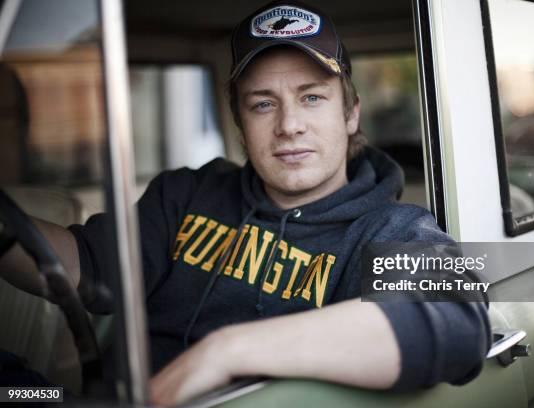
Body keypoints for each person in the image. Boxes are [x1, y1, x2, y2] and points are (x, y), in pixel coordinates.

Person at [0, 1, 491, 406]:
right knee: (21, 392)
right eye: (263, 103)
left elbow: (456, 318)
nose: (289, 125)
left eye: (312, 97)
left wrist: (225, 351)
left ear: (350, 111)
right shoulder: (187, 194)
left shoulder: (388, 230)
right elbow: (85, 265)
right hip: (96, 399)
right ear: (240, 121)